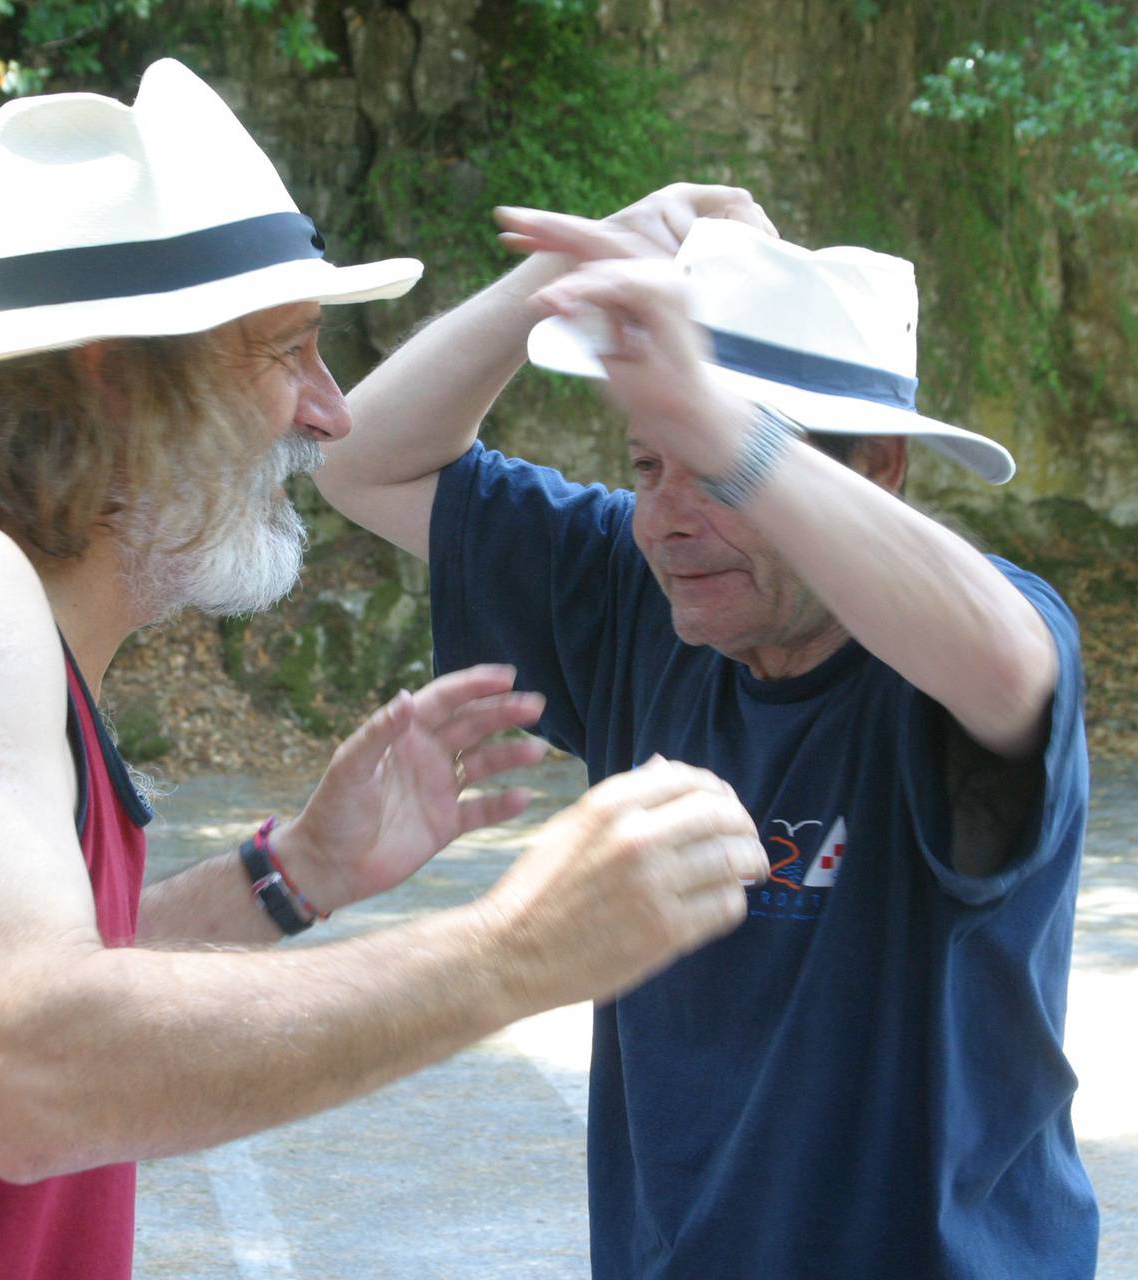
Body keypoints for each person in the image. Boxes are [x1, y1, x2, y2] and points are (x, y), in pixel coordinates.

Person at [0, 63, 769, 1279]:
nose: (330, 411)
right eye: (288, 352)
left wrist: (289, 873)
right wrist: (522, 946)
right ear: (115, 369)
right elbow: (33, 1060)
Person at [316, 196, 1098, 1276]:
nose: (668, 517)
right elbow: (361, 463)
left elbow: (1012, 666)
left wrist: (711, 415)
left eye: (717, 473)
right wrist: (552, 280)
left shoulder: (952, 650)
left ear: (873, 469)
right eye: (647, 466)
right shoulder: (641, 600)